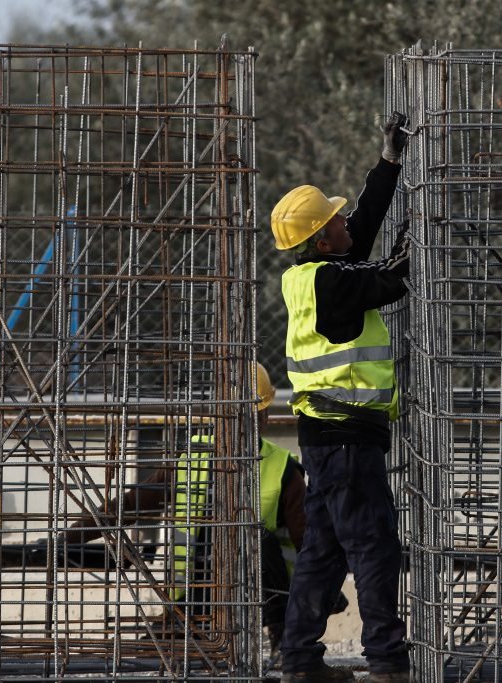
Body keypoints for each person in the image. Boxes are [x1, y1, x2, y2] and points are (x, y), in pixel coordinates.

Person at [39, 362, 323, 652]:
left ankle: (282, 636)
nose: (243, 426)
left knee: (257, 538)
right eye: (236, 418)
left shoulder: (283, 469)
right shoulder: (189, 461)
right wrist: (63, 542)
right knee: (156, 654)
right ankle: (183, 625)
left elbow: (310, 544)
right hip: (191, 599)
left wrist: (318, 598)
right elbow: (125, 507)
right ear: (221, 416)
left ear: (264, 417)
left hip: (259, 600)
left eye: (250, 417)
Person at [270, 112, 411, 683]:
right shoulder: (335, 282)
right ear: (323, 239)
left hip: (325, 436)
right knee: (375, 548)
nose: (343, 220)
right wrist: (426, 222)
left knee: (323, 555)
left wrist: (391, 162)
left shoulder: (314, 274)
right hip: (349, 441)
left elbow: (365, 222)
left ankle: (299, 659)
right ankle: (387, 661)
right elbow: (395, 272)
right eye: (333, 219)